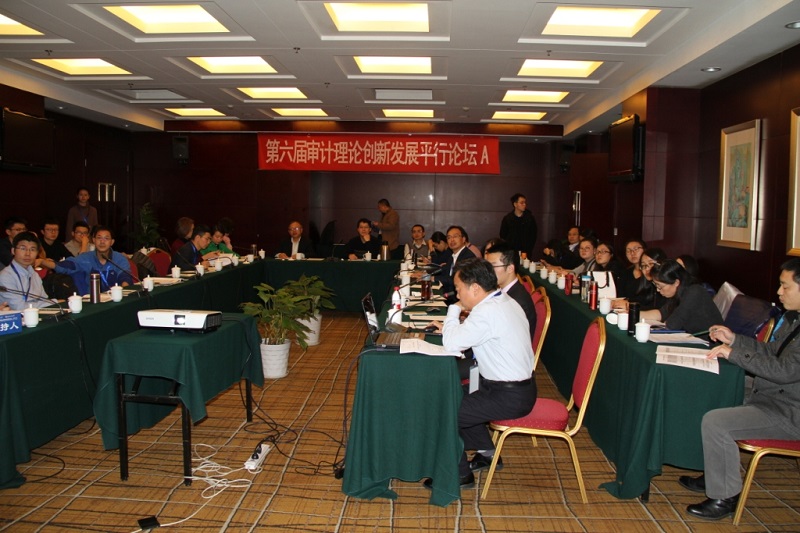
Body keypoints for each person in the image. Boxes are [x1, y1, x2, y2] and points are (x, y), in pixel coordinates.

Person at [678, 257, 800, 521]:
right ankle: (715, 473)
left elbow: (784, 371)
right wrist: (734, 339)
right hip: (772, 394)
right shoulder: (794, 320)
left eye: (785, 286)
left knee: (717, 422)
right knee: (713, 388)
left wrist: (733, 354)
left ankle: (724, 497)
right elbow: (771, 351)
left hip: (789, 412)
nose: (779, 292)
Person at [427, 258, 535, 489]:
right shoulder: (504, 300)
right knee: (454, 395)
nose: (457, 294)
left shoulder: (486, 312)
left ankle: (459, 475)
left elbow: (452, 344)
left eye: (459, 289)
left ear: (475, 288)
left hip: (508, 396)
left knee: (442, 411)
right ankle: (487, 453)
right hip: (507, 387)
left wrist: (454, 309)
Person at [639, 259, 723, 332]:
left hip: (707, 342)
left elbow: (672, 325)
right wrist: (633, 314)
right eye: (656, 285)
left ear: (676, 282)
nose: (658, 290)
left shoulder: (694, 292)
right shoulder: (678, 292)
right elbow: (661, 313)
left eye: (660, 286)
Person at [54, 226, 133, 294]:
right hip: (93, 300)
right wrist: (49, 263)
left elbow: (125, 277)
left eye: (106, 238)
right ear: (94, 240)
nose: (102, 241)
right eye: (99, 238)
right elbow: (68, 265)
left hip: (115, 298)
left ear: (112, 242)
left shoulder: (119, 258)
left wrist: (123, 292)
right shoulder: (86, 258)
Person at [485, 241, 536, 340]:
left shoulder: (517, 301)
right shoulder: (504, 290)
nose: (488, 271)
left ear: (510, 268)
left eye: (493, 266)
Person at [0, 231, 55, 310]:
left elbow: (44, 299)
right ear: (13, 251)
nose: (28, 254)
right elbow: (19, 307)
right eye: (23, 248)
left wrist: (49, 303)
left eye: (32, 249)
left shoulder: (34, 274)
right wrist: (54, 302)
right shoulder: (5, 277)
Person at [437, 225, 477, 295]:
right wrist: (427, 274)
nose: (452, 240)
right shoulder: (453, 256)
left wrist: (433, 278)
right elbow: (446, 273)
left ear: (463, 239)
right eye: (449, 237)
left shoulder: (468, 257)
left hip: (459, 296)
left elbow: (456, 280)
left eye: (455, 236)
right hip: (449, 294)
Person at [499, 193, 538, 258]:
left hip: (526, 251)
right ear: (515, 204)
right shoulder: (507, 218)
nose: (524, 204)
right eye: (522, 203)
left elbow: (533, 235)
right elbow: (503, 235)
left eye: (525, 202)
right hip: (511, 252)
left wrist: (529, 248)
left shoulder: (530, 218)